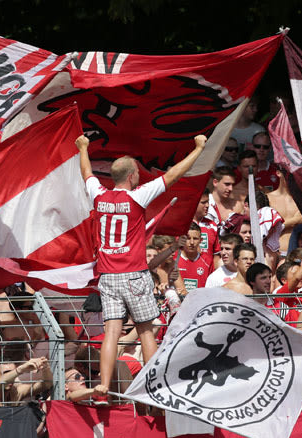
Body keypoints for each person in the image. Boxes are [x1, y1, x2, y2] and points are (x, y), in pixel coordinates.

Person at [76, 133, 208, 398]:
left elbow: (86, 172)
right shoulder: (138, 197)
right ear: (132, 176)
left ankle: (103, 384)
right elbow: (174, 175)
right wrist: (198, 149)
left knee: (111, 331)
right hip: (134, 275)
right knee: (146, 329)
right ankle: (153, 384)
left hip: (108, 276)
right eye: (137, 172)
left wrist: (83, 148)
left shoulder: (99, 196)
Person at [267, 169, 302, 257]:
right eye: (288, 174)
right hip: (275, 253)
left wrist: (279, 225)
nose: (291, 178)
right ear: (278, 173)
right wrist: (293, 221)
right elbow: (265, 229)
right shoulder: (268, 198)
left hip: (298, 254)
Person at [176, 223, 212, 292]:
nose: (192, 242)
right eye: (188, 238)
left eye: (195, 239)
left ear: (201, 240)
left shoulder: (207, 261)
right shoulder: (173, 259)